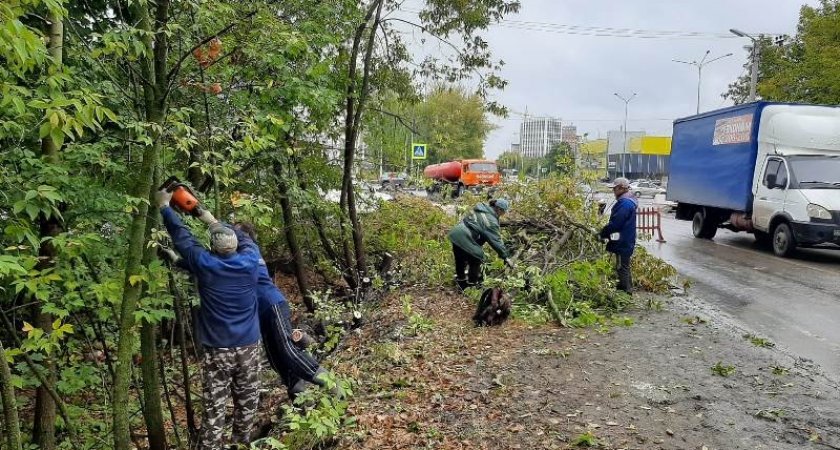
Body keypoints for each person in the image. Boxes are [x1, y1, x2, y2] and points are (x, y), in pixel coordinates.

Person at [155, 190, 262, 450]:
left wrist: (165, 207)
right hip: (249, 347)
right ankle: (241, 446)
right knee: (246, 406)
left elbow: (182, 237)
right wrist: (210, 218)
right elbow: (247, 240)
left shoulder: (205, 262)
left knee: (215, 410)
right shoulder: (249, 261)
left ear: (213, 247)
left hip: (218, 350)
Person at [232, 222, 340, 400]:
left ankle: (332, 385)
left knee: (288, 350)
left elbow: (240, 236)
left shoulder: (250, 249)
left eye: (235, 230)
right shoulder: (235, 259)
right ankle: (300, 399)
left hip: (272, 304)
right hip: (260, 315)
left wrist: (212, 221)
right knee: (276, 360)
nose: (231, 233)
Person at [447, 198, 513, 291]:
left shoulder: (481, 209)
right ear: (499, 209)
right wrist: (505, 257)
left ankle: (461, 283)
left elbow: (480, 231)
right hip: (465, 235)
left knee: (460, 260)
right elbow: (495, 240)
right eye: (504, 212)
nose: (503, 214)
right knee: (477, 258)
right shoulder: (491, 220)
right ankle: (472, 286)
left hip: (456, 233)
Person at [599, 177, 638, 294]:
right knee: (623, 266)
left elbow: (615, 224)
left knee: (622, 267)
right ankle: (625, 288)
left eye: (614, 189)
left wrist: (602, 233)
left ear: (621, 188)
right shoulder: (628, 201)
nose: (613, 191)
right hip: (625, 239)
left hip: (623, 240)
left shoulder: (624, 204)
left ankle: (626, 291)